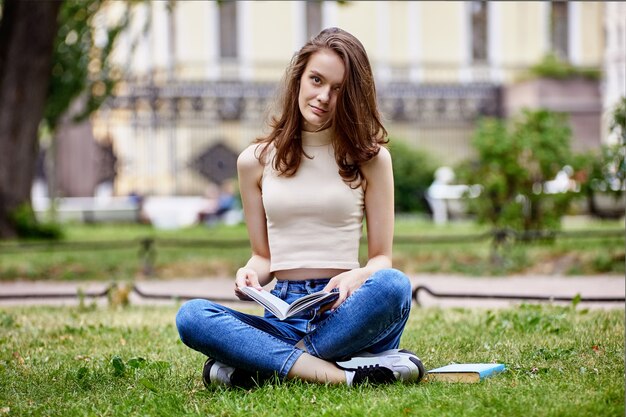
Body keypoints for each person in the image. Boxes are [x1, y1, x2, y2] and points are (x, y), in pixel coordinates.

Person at [176, 27, 424, 388]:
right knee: (192, 316)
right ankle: (339, 375)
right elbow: (263, 256)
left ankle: (259, 366)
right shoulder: (254, 162)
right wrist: (249, 273)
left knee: (394, 285)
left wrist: (359, 276)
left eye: (338, 89)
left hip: (346, 311)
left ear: (353, 96)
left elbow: (381, 259)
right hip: (283, 312)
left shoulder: (371, 159)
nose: (323, 96)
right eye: (316, 80)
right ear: (298, 79)